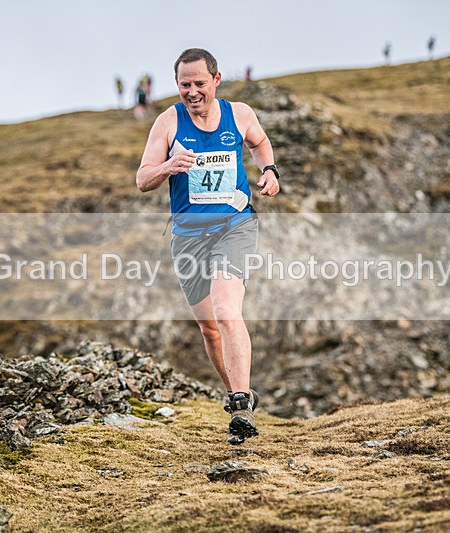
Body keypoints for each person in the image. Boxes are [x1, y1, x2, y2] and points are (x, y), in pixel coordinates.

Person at [136, 48, 280, 445]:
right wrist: (168, 166)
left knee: (225, 310)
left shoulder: (240, 114)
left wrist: (269, 170)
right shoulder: (168, 122)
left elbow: (260, 142)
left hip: (234, 227)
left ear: (216, 80)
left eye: (200, 83)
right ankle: (238, 391)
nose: (193, 92)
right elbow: (142, 178)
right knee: (209, 328)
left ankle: (239, 402)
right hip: (187, 236)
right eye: (185, 85)